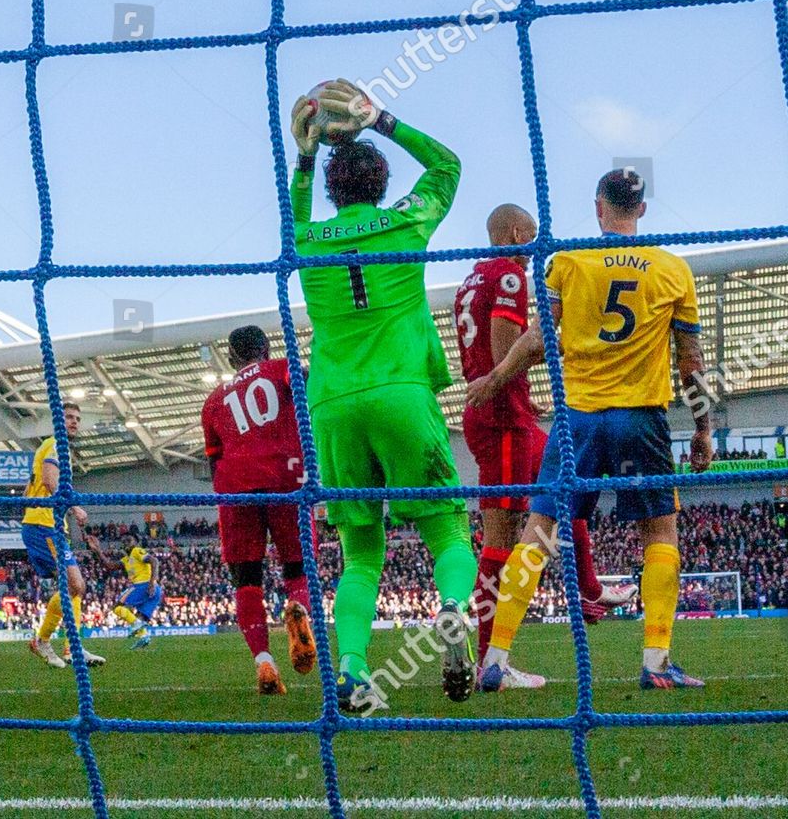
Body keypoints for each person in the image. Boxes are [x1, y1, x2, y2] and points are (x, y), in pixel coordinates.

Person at [467, 168, 713, 691]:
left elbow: (536, 341)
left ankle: (495, 658)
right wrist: (703, 429)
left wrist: (494, 377)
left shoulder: (568, 262)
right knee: (660, 535)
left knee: (536, 535)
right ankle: (655, 663)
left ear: (599, 205)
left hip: (575, 419)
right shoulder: (672, 269)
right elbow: (690, 363)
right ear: (642, 208)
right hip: (641, 418)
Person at [290, 79, 477, 708]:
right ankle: (452, 608)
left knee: (361, 556)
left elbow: (296, 210)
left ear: (333, 190)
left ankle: (351, 670)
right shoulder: (406, 221)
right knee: (449, 533)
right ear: (380, 184)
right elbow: (448, 164)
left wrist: (306, 154)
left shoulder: (306, 239)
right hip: (401, 392)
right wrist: (382, 119)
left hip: (334, 404)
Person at [454, 204, 634, 689]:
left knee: (562, 486)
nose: (535, 247)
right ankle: (492, 662)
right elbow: (507, 350)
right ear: (516, 232)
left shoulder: (471, 279)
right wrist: (514, 370)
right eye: (531, 235)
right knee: (504, 536)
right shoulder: (511, 276)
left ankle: (589, 593)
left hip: (490, 415)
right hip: (505, 414)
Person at [199, 324, 316, 696]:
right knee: (298, 568)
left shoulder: (214, 401)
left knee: (246, 581)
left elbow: (213, 462)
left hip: (236, 488)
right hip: (287, 477)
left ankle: (264, 661)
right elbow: (311, 381)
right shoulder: (282, 367)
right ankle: (297, 611)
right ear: (266, 348)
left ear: (232, 358)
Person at [20, 401, 105, 668]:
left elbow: (28, 491)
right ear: (57, 419)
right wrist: (74, 507)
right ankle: (61, 645)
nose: (74, 422)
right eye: (69, 417)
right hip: (44, 526)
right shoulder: (56, 445)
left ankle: (55, 644)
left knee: (73, 589)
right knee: (76, 586)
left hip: (48, 525)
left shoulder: (48, 446)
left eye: (77, 418)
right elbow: (48, 480)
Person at [86, 534, 164, 650]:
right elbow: (109, 565)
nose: (125, 542)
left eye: (129, 540)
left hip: (144, 585)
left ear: (136, 542)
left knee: (118, 607)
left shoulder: (137, 551)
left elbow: (154, 561)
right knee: (140, 617)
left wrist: (152, 582)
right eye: (123, 541)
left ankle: (139, 628)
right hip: (153, 589)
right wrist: (97, 550)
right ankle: (144, 637)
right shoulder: (126, 560)